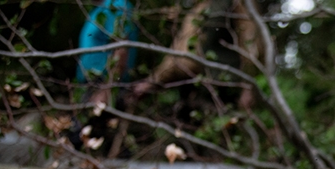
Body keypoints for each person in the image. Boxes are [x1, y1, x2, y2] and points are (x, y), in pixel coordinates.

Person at [131, 0, 264, 111]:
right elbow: (179, 55)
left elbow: (250, 43)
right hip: (190, 88)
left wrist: (248, 87)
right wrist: (152, 81)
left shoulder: (236, 3)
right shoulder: (198, 8)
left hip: (222, 90)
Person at [76, 0, 139, 108]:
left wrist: (107, 90)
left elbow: (121, 49)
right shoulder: (100, 9)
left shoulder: (117, 5)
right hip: (90, 84)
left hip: (104, 84)